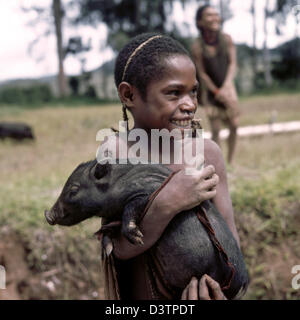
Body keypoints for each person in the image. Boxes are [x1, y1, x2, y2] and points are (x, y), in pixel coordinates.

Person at [100, 33, 240, 300]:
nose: (189, 105)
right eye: (174, 93)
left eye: (193, 92)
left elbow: (231, 244)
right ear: (129, 95)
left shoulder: (207, 154)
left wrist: (222, 293)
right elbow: (118, 248)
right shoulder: (117, 154)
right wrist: (169, 201)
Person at [191, 5, 239, 164]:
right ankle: (218, 165)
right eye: (209, 15)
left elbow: (232, 64)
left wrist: (226, 88)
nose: (214, 18)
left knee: (234, 125)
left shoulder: (226, 39)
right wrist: (217, 92)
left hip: (227, 87)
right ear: (200, 22)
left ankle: (231, 162)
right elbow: (202, 74)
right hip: (210, 91)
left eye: (216, 14)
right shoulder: (197, 46)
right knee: (216, 129)